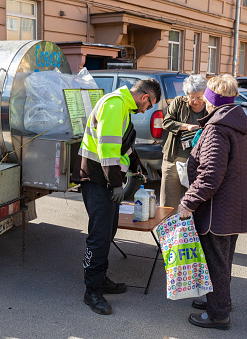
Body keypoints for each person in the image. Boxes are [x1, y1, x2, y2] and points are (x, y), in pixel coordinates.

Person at [71, 79, 161, 315]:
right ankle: (91, 290)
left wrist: (136, 167)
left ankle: (101, 278)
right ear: (145, 97)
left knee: (108, 231)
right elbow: (107, 148)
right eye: (150, 105)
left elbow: (125, 145)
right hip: (98, 181)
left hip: (106, 182)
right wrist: (116, 185)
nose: (148, 109)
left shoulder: (122, 106)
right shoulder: (115, 104)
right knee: (99, 236)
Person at [178, 74, 247, 330]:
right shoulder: (239, 121)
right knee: (222, 260)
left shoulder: (217, 128)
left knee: (216, 262)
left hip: (217, 210)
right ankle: (218, 301)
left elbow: (210, 175)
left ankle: (218, 314)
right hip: (235, 206)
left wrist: (188, 202)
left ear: (212, 101)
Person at [160, 74, 208, 212]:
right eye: (191, 97)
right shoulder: (178, 102)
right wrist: (186, 127)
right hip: (173, 158)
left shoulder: (210, 108)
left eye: (199, 97)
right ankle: (168, 231)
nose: (195, 101)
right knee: (168, 203)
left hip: (197, 162)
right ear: (186, 94)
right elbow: (166, 122)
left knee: (193, 203)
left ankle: (189, 232)